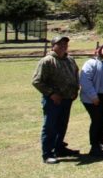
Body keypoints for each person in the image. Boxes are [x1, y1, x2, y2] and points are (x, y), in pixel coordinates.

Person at [32, 36, 80, 164]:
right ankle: (47, 154)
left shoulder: (70, 59)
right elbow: (37, 81)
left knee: (62, 125)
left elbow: (75, 74)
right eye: (60, 44)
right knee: (50, 126)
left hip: (67, 98)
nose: (63, 46)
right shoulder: (47, 61)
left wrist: (75, 90)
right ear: (53, 46)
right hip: (53, 100)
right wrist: (51, 94)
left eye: (65, 44)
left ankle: (59, 148)